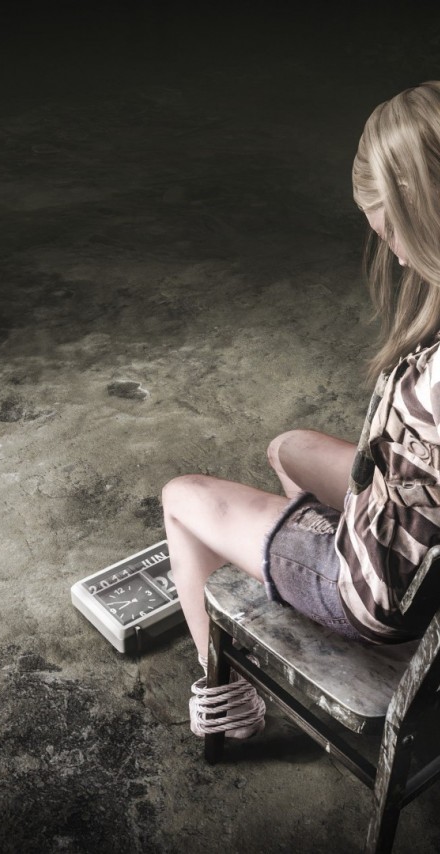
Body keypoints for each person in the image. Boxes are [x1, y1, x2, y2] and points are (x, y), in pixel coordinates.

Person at [162, 81, 440, 739]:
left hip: (389, 592)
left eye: (393, 233)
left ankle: (225, 704)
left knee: (181, 498)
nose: (398, 256)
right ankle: (303, 579)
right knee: (288, 448)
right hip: (413, 519)